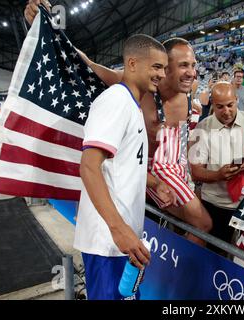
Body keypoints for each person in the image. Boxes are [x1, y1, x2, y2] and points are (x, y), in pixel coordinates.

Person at [24, 1, 212, 246]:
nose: (192, 73)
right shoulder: (135, 84)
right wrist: (45, 27)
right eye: (184, 65)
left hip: (163, 171)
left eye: (194, 65)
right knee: (201, 223)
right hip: (135, 170)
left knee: (196, 221)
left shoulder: (189, 95)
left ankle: (169, 272)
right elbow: (86, 64)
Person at [75, 34, 169, 300]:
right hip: (108, 240)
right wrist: (118, 229)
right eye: (156, 66)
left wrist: (156, 184)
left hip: (123, 241)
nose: (162, 74)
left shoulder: (132, 105)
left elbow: (126, 164)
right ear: (131, 63)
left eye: (164, 68)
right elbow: (89, 167)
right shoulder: (116, 100)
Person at [189, 82, 244, 255]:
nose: (226, 111)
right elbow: (196, 171)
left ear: (236, 100)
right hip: (216, 205)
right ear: (212, 104)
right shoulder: (203, 128)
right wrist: (218, 175)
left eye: (230, 105)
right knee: (215, 254)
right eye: (220, 107)